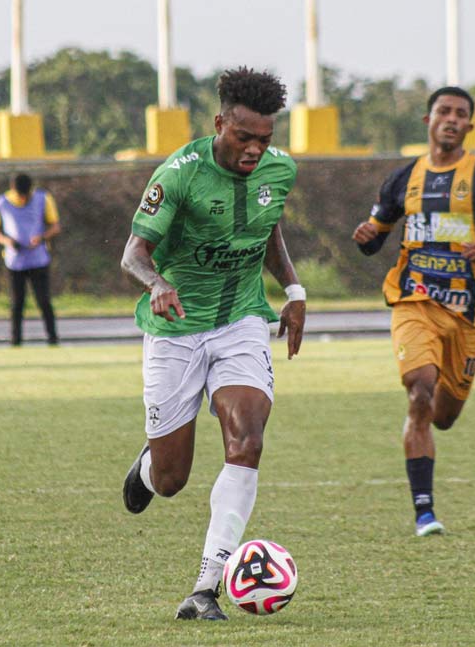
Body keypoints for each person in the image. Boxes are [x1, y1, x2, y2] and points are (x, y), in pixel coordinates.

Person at [118, 67, 306, 621]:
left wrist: (292, 289)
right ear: (219, 122)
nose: (254, 149)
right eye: (243, 137)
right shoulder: (179, 174)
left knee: (247, 440)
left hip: (242, 320)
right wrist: (158, 284)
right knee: (172, 479)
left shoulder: (280, 170)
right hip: (176, 327)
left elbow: (267, 229)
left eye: (264, 140)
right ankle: (149, 467)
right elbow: (133, 253)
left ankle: (205, 587)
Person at [352, 86, 475, 537]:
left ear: (470, 125)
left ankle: (425, 430)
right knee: (419, 391)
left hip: (468, 312)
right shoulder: (402, 180)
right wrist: (367, 237)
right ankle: (425, 512)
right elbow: (377, 235)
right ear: (427, 120)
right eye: (443, 111)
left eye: (460, 114)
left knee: (444, 414)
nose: (451, 119)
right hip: (413, 302)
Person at [0, 173, 61, 345]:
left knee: (44, 301)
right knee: (17, 303)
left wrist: (42, 237)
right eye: (20, 195)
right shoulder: (2, 203)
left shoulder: (43, 198)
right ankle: (16, 341)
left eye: (26, 195)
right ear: (13, 190)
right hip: (15, 261)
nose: (23, 198)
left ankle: (53, 338)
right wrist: (8, 241)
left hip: (38, 259)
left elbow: (56, 225)